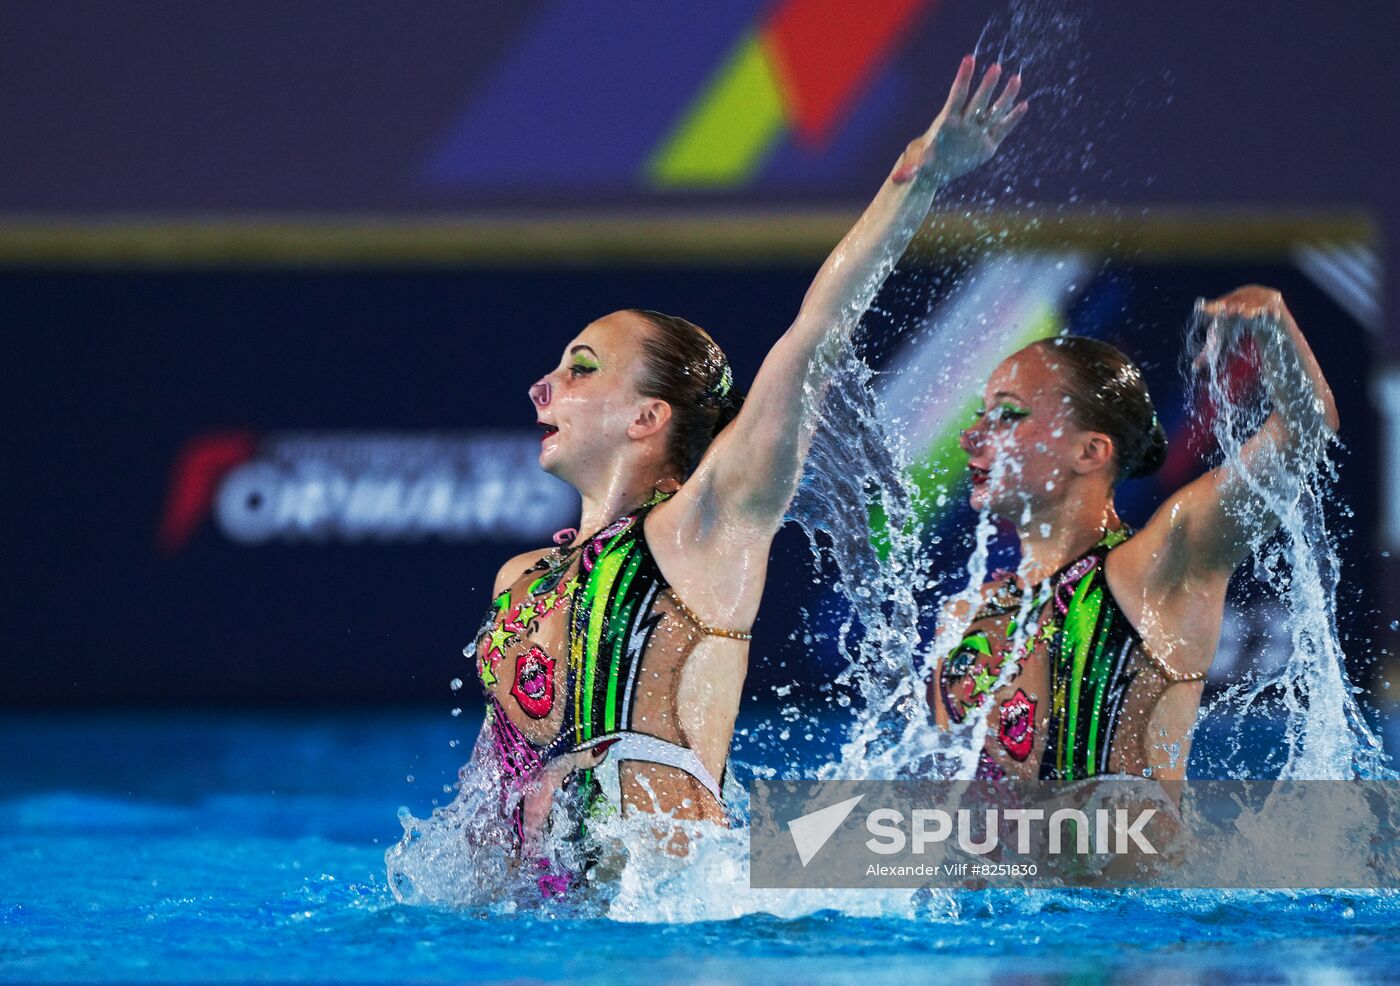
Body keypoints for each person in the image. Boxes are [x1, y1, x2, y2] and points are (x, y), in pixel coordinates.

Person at [466, 56, 1029, 870]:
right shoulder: (522, 582)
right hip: (542, 926)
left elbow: (816, 332)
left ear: (648, 417)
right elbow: (490, 801)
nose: (543, 386)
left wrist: (920, 174)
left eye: (582, 367)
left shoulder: (704, 533)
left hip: (673, 931)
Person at [929, 286, 1339, 783]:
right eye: (979, 415)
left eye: (1008, 415)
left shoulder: (1160, 569)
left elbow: (1307, 428)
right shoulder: (969, 614)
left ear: (1090, 452)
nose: (971, 437)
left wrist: (1274, 330)